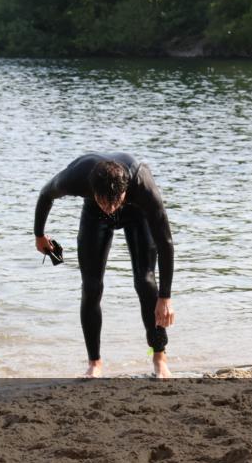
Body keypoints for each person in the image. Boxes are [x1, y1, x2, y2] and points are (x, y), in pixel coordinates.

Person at [34, 153, 175, 378]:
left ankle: (159, 357)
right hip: (93, 216)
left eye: (114, 202)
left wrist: (165, 297)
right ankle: (95, 363)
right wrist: (39, 235)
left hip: (136, 213)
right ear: (92, 190)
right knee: (91, 287)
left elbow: (165, 242)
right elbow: (45, 194)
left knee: (146, 282)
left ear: (124, 191)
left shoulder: (143, 186)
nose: (110, 209)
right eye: (104, 202)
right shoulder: (76, 178)